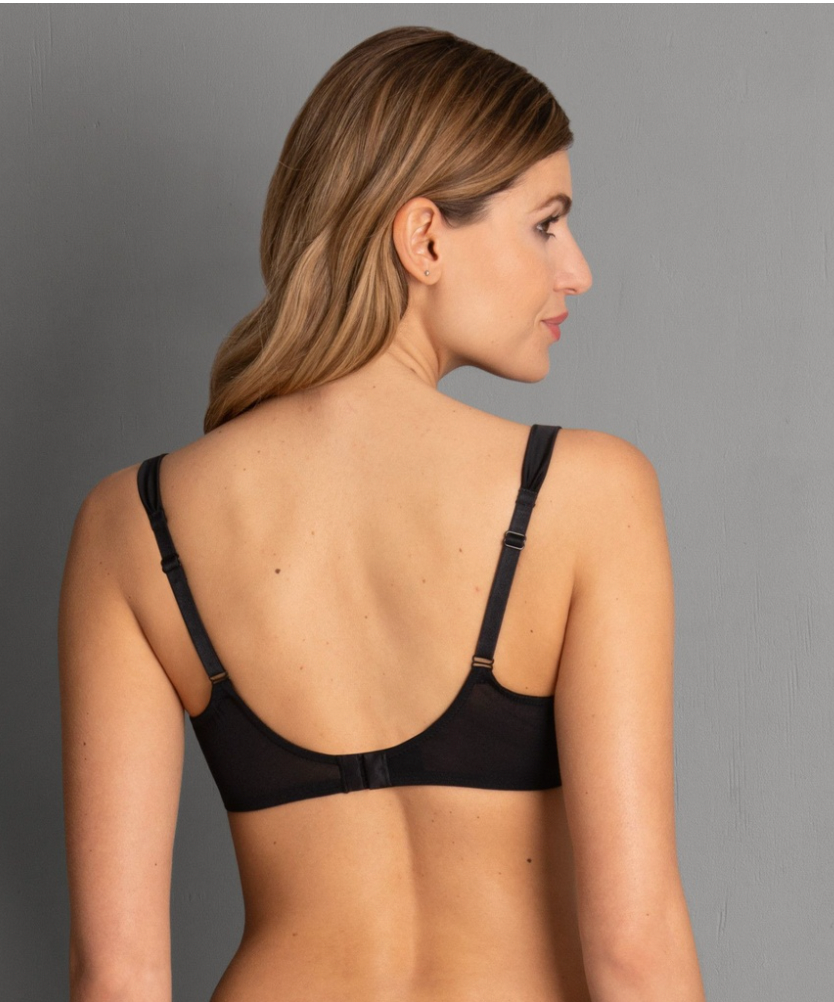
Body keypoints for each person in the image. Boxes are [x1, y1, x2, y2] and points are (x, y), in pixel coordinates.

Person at [58, 25, 707, 1002]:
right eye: (546, 224)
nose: (575, 270)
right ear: (425, 238)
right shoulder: (586, 493)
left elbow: (119, 976)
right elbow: (634, 948)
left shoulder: (133, 525)